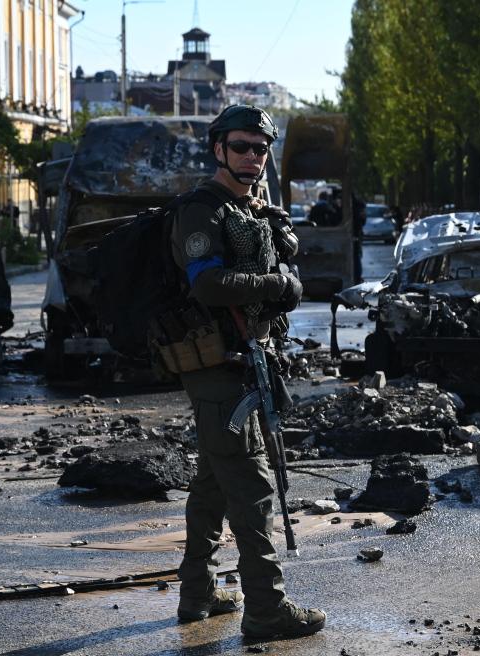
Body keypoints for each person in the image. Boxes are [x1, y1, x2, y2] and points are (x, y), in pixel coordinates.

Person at [169, 104, 325, 639]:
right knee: (254, 486)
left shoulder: (253, 209)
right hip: (217, 366)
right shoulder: (202, 211)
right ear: (219, 149)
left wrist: (285, 268)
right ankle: (266, 609)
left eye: (260, 149)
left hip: (247, 359)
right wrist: (275, 287)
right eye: (241, 146)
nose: (252, 156)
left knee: (214, 483)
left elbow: (272, 268)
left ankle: (197, 595)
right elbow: (206, 285)